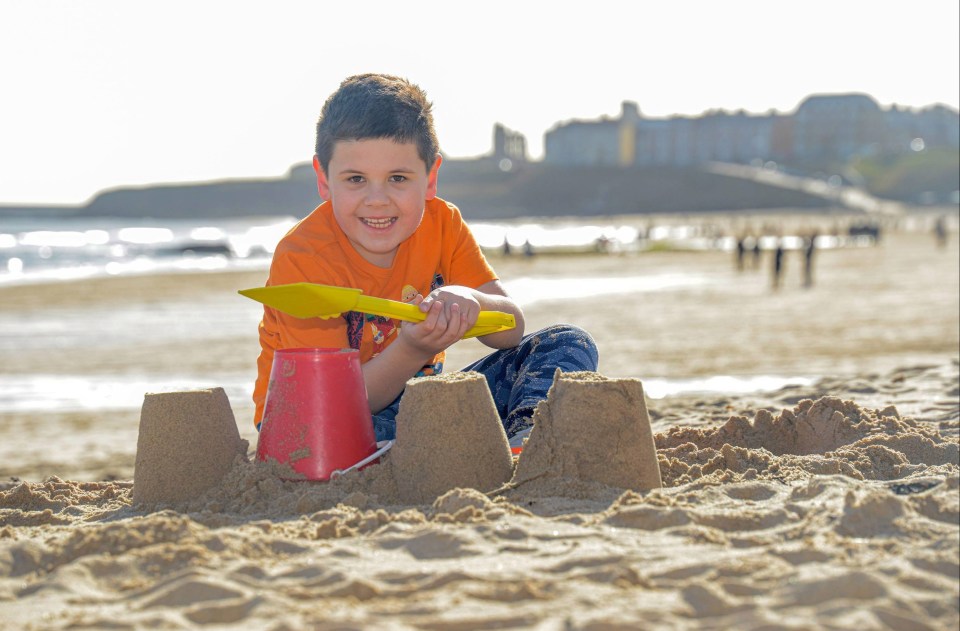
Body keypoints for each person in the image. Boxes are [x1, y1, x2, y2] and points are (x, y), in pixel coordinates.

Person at [253, 74, 598, 448]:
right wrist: (412, 349)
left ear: (431, 177)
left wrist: (471, 299)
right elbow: (339, 401)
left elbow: (510, 329)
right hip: (319, 419)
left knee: (567, 343)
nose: (377, 200)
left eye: (398, 178)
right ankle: (431, 448)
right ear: (324, 179)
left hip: (418, 406)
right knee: (339, 432)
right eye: (355, 179)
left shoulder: (442, 223)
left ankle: (528, 440)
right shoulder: (303, 256)